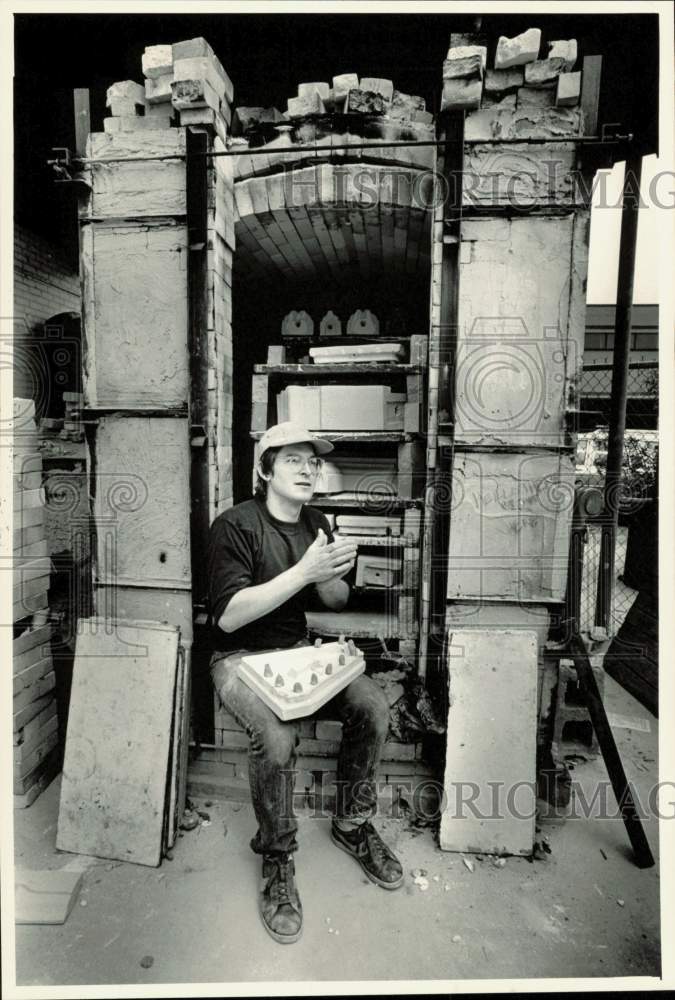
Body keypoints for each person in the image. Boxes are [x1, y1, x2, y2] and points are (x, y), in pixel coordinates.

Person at [208, 422, 404, 945]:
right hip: (238, 657)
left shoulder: (316, 523)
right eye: (292, 459)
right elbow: (228, 618)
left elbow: (335, 602)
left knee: (372, 705)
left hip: (295, 652)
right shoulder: (234, 526)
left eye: (313, 461)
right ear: (264, 469)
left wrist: (330, 573)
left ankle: (352, 824)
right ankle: (277, 856)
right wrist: (302, 572)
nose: (307, 468)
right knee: (276, 738)